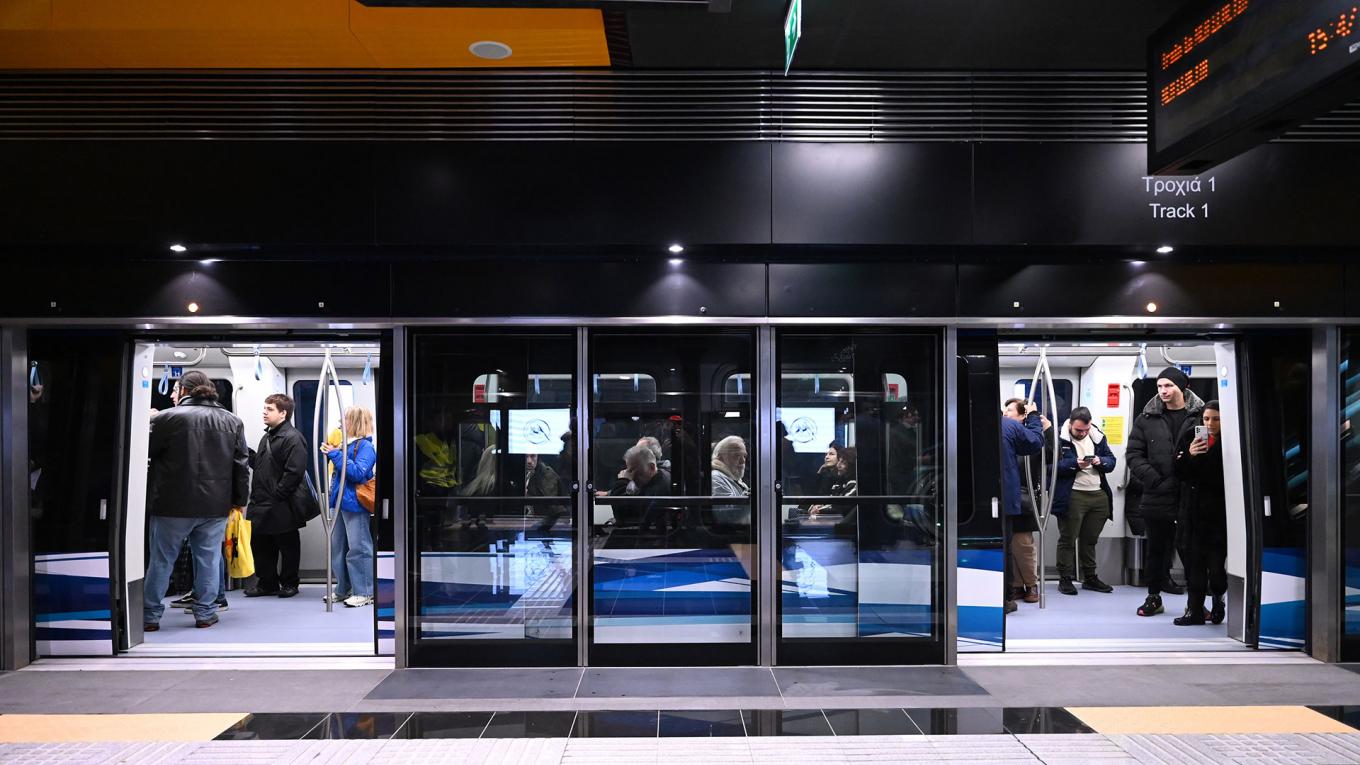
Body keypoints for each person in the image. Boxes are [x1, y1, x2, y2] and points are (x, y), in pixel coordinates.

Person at [143, 371, 249, 630]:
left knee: (161, 561)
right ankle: (205, 613)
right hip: (215, 506)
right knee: (209, 560)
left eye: (174, 389)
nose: (172, 394)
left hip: (171, 505)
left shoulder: (167, 418)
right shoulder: (232, 421)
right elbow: (241, 466)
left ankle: (150, 616)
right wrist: (239, 501)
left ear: (184, 390)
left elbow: (146, 452)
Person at [1127, 367, 1206, 617]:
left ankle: (1196, 602)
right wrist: (1156, 481)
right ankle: (1154, 597)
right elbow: (1134, 455)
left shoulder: (1200, 417)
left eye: (1169, 385)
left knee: (1192, 551)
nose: (1163, 391)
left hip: (1190, 495)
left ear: (1183, 387)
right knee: (1156, 551)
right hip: (1157, 494)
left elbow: (1209, 453)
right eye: (1160, 386)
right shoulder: (1146, 419)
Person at [244, 393, 315, 599]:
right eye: (264, 408)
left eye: (270, 409)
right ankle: (268, 583)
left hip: (281, 502)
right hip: (261, 501)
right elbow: (262, 465)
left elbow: (294, 472)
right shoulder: (267, 437)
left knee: (287, 544)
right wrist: (243, 451)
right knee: (261, 544)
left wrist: (277, 495)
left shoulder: (293, 438)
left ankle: (290, 583)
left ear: (283, 414)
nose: (264, 412)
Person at [1172, 400, 1228, 626]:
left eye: (1216, 419)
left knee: (1216, 568)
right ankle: (1194, 610)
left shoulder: (1232, 441)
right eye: (1206, 419)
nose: (1210, 424)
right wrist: (1190, 456)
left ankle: (1218, 598)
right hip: (1193, 512)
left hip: (1218, 514)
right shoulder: (1190, 438)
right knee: (1194, 565)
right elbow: (1178, 472)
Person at [1051, 407, 1118, 596]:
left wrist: (1099, 461)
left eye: (1086, 430)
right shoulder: (1058, 438)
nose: (1083, 433)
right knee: (1068, 539)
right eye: (1079, 430)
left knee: (1090, 540)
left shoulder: (1097, 437)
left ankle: (1090, 577)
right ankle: (1065, 578)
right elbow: (1048, 467)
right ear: (1070, 424)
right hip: (1073, 494)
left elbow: (1111, 461)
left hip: (1098, 494)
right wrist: (1074, 464)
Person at [322, 405, 378, 608]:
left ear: (355, 422)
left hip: (355, 504)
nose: (341, 422)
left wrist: (336, 455)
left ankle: (365, 591)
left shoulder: (366, 447)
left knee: (359, 548)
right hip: (338, 502)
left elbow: (356, 473)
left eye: (345, 419)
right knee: (338, 548)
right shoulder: (345, 445)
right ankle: (343, 587)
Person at [1001, 397, 1046, 613]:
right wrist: (1034, 419)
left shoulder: (1011, 429)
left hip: (1021, 497)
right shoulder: (1012, 429)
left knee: (1022, 545)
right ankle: (1011, 591)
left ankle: (1027, 585)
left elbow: (1046, 452)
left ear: (1021, 415)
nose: (1006, 413)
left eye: (1010, 410)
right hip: (1010, 497)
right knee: (1009, 547)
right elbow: (1035, 441)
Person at [710, 435, 751, 525]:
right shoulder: (715, 478)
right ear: (720, 457)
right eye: (737, 456)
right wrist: (752, 496)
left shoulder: (734, 479)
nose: (743, 461)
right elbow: (725, 516)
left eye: (744, 456)